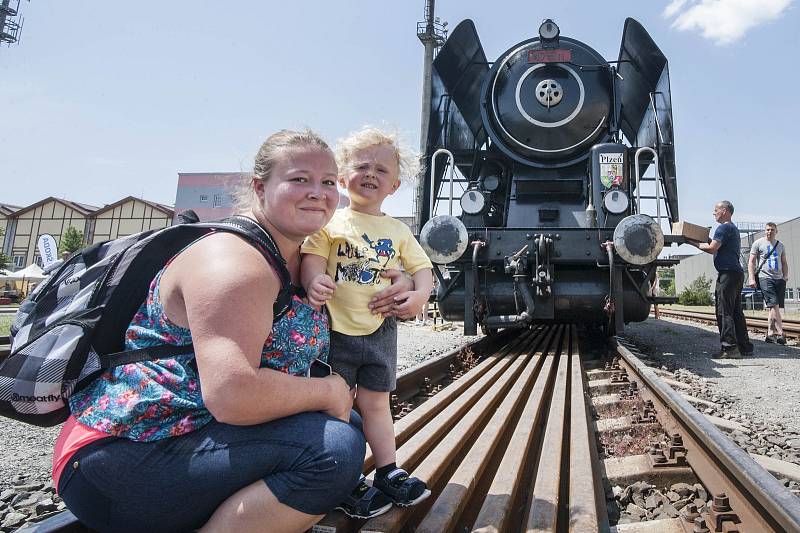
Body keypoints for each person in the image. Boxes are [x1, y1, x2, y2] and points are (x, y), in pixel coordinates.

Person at [51, 129, 413, 533]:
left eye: (328, 182)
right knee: (333, 451)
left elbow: (366, 286)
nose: (318, 192)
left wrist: (402, 289)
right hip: (123, 457)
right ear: (260, 187)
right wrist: (328, 390)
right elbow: (233, 395)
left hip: (184, 431)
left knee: (351, 429)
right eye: (299, 179)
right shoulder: (234, 262)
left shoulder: (299, 256)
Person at [301, 127, 434, 518]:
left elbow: (422, 268)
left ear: (394, 185)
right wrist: (314, 279)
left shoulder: (397, 230)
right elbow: (312, 257)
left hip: (379, 330)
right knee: (337, 404)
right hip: (334, 331)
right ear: (342, 178)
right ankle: (347, 477)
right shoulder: (331, 224)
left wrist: (420, 295)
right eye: (361, 166)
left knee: (377, 404)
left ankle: (388, 470)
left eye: (381, 169)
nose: (370, 174)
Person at [689, 200, 754, 358]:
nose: (714, 213)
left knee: (724, 312)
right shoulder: (732, 228)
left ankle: (730, 348)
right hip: (736, 274)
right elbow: (716, 244)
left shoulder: (723, 227)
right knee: (736, 312)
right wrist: (704, 239)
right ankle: (744, 347)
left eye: (716, 210)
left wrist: (691, 241)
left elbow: (712, 249)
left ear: (724, 211)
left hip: (727, 275)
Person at [748, 222, 789, 344]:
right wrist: (751, 278)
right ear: (765, 231)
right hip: (765, 278)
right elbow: (751, 262)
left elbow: (784, 262)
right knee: (774, 304)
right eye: (767, 230)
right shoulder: (758, 243)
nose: (769, 231)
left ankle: (770, 334)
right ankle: (781, 333)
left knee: (773, 306)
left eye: (772, 229)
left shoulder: (780, 245)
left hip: (779, 279)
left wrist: (785, 276)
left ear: (776, 231)